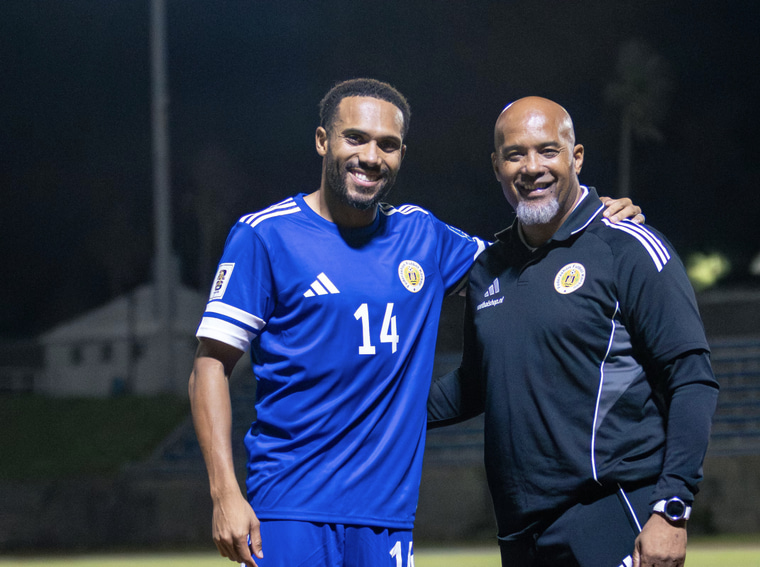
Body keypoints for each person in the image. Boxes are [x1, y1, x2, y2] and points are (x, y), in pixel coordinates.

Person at [188, 80, 643, 567]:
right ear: (323, 140)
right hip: (290, 508)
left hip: (388, 517)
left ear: (401, 154)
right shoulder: (265, 235)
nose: (370, 156)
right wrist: (224, 493)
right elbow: (209, 366)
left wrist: (593, 221)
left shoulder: (422, 234)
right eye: (355, 138)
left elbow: (522, 262)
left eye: (387, 145)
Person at [428, 96, 719, 567]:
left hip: (613, 513)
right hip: (520, 531)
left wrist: (672, 508)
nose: (532, 168)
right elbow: (476, 384)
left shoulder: (626, 245)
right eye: (515, 154)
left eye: (548, 150)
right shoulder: (489, 269)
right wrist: (379, 407)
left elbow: (691, 378)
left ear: (576, 157)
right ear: (497, 166)